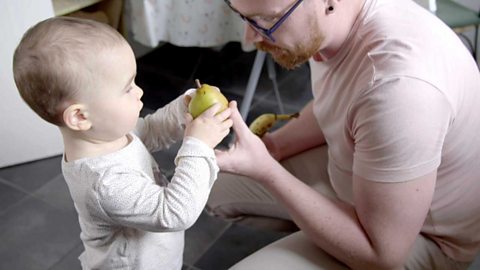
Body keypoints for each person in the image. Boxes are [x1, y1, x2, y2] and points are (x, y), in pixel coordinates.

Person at [208, 0, 480, 269]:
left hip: (423, 237)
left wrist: (267, 170)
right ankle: (323, 232)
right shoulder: (336, 21)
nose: (250, 37)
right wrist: (276, 148)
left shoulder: (399, 89)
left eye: (267, 20)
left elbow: (382, 255)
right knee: (214, 185)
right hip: (365, 177)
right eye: (244, 16)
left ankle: (327, 237)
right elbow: (345, 99)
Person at [13, 17, 233, 270]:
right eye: (127, 88)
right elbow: (174, 212)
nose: (139, 91)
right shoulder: (104, 183)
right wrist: (199, 144)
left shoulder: (107, 134)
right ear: (80, 117)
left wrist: (184, 107)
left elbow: (150, 130)